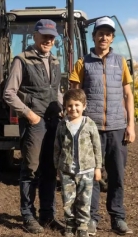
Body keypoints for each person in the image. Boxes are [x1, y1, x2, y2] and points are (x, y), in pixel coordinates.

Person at [69, 16, 136, 235]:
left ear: (112, 38)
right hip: (92, 128)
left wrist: (131, 125)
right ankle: (92, 219)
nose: (104, 37)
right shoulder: (82, 63)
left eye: (108, 34)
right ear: (94, 36)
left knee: (116, 175)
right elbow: (74, 96)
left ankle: (118, 217)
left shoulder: (121, 62)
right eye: (100, 33)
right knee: (92, 176)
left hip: (117, 127)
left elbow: (128, 94)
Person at [3, 18, 64, 234]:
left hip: (53, 122)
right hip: (35, 123)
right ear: (35, 36)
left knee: (50, 170)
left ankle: (48, 216)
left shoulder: (55, 61)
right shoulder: (22, 60)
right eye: (44, 36)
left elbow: (55, 90)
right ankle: (28, 215)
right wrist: (30, 115)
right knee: (30, 170)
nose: (48, 40)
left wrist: (63, 107)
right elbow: (9, 93)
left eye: (51, 37)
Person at [53, 88, 103, 237]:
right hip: (67, 170)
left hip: (86, 170)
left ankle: (82, 226)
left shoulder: (89, 124)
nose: (73, 108)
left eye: (76, 105)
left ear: (84, 106)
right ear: (65, 107)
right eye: (69, 105)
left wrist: (98, 168)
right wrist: (57, 166)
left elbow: (97, 147)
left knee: (84, 200)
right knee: (68, 200)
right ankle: (69, 225)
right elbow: (57, 146)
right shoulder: (62, 125)